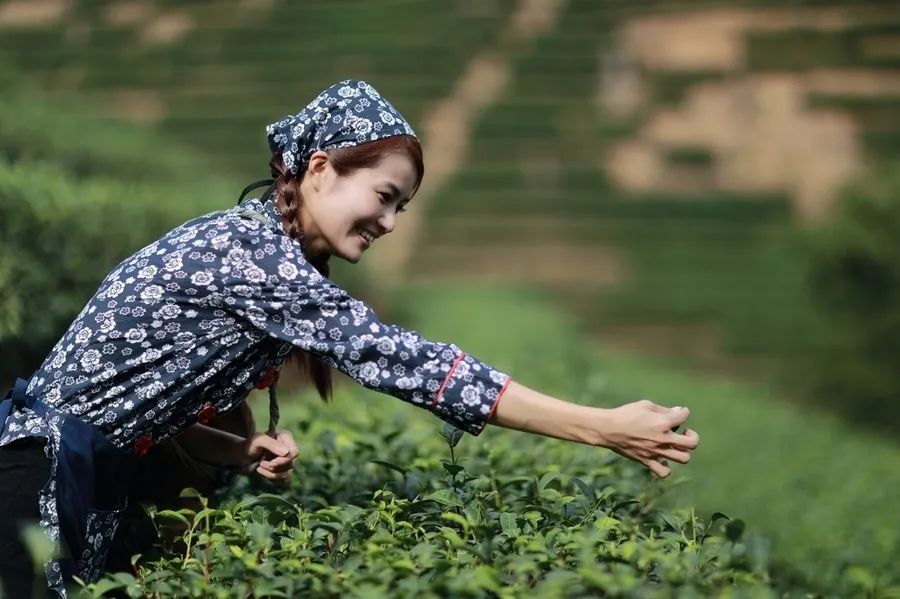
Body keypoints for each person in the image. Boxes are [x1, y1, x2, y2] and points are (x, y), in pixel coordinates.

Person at [0, 79, 699, 597]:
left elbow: (137, 408)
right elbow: (413, 364)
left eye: (403, 206)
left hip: (80, 472)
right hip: (41, 476)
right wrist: (602, 426)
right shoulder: (254, 256)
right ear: (320, 167)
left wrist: (237, 449)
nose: (390, 221)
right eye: (386, 195)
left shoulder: (261, 242)